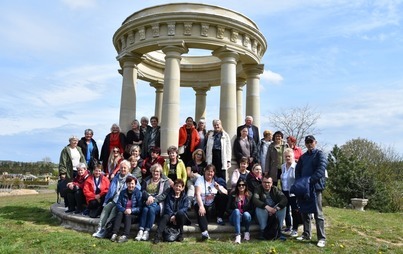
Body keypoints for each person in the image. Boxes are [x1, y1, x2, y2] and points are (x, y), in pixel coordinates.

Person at [92, 160, 139, 238]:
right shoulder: (116, 177)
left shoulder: (131, 178)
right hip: (114, 199)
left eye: (125, 168)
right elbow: (111, 190)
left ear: (128, 169)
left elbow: (137, 189)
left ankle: (105, 230)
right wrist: (106, 201)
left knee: (114, 210)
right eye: (121, 168)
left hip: (123, 202)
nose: (123, 169)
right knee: (106, 208)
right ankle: (99, 228)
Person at [295, 135, 327, 248]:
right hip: (304, 187)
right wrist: (301, 182)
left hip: (315, 187)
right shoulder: (303, 157)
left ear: (315, 142)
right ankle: (306, 234)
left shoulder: (320, 154)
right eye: (307, 142)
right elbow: (298, 170)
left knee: (318, 213)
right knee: (304, 212)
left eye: (311, 142)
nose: (309, 144)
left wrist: (309, 181)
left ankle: (321, 238)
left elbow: (321, 170)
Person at [136, 164, 170, 241]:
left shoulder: (165, 182)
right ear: (151, 171)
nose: (155, 173)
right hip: (147, 201)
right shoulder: (146, 180)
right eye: (154, 171)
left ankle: (147, 231)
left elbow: (164, 195)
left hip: (158, 203)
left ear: (160, 172)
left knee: (151, 209)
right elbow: (143, 191)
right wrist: (148, 197)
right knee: (145, 209)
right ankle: (141, 230)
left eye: (157, 171)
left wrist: (154, 199)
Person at [194, 164, 228, 240]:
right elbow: (197, 194)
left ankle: (219, 217)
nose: (210, 173)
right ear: (204, 171)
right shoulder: (200, 179)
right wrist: (201, 206)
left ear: (214, 173)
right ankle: (204, 233)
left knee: (223, 197)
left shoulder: (216, 180)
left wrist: (219, 188)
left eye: (212, 172)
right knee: (200, 210)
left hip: (211, 206)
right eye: (208, 171)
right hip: (201, 203)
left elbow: (226, 192)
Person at [153, 179, 191, 243]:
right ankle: (157, 236)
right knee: (165, 217)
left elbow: (185, 208)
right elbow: (167, 207)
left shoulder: (185, 197)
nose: (177, 188)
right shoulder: (169, 196)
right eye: (176, 186)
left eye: (179, 186)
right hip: (170, 215)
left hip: (181, 217)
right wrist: (172, 215)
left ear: (182, 188)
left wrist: (175, 215)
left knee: (180, 213)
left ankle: (181, 234)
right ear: (173, 186)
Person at [253, 175, 287, 240]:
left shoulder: (275, 189)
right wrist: (266, 207)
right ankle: (263, 232)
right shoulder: (258, 189)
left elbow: (284, 199)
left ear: (271, 183)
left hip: (274, 212)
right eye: (265, 182)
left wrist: (276, 209)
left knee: (283, 207)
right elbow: (255, 200)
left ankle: (279, 232)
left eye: (268, 182)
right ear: (262, 182)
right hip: (264, 212)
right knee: (259, 208)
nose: (267, 184)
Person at [110, 176, 142, 243]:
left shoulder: (138, 193)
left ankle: (125, 235)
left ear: (135, 184)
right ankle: (114, 234)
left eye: (132, 184)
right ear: (126, 184)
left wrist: (131, 210)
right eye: (129, 183)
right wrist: (124, 210)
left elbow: (140, 207)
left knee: (128, 216)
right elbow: (118, 204)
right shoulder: (123, 192)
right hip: (124, 212)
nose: (130, 185)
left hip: (134, 215)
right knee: (119, 213)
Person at [280, 148, 301, 237]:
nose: (288, 158)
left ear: (293, 156)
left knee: (294, 210)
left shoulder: (296, 166)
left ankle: (295, 229)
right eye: (286, 156)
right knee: (286, 209)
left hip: (293, 192)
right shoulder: (283, 166)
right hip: (284, 190)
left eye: (289, 156)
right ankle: (288, 226)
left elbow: (298, 180)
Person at [226, 178, 253, 244]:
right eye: (239, 185)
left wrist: (243, 214)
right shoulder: (232, 194)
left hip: (244, 218)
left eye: (243, 185)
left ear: (246, 186)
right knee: (236, 211)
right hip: (235, 218)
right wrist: (236, 214)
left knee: (246, 214)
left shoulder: (250, 195)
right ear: (237, 186)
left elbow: (252, 209)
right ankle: (238, 235)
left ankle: (247, 232)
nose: (241, 186)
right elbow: (227, 208)